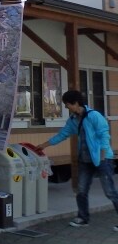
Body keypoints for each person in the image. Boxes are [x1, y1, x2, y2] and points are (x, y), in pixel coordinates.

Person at [35, 90, 118, 230]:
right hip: (85, 160)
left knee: (109, 191)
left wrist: (103, 157)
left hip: (102, 159)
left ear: (75, 103)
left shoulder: (94, 116)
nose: (67, 108)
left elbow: (104, 136)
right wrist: (44, 145)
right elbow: (62, 135)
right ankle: (83, 218)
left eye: (67, 105)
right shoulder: (73, 120)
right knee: (81, 190)